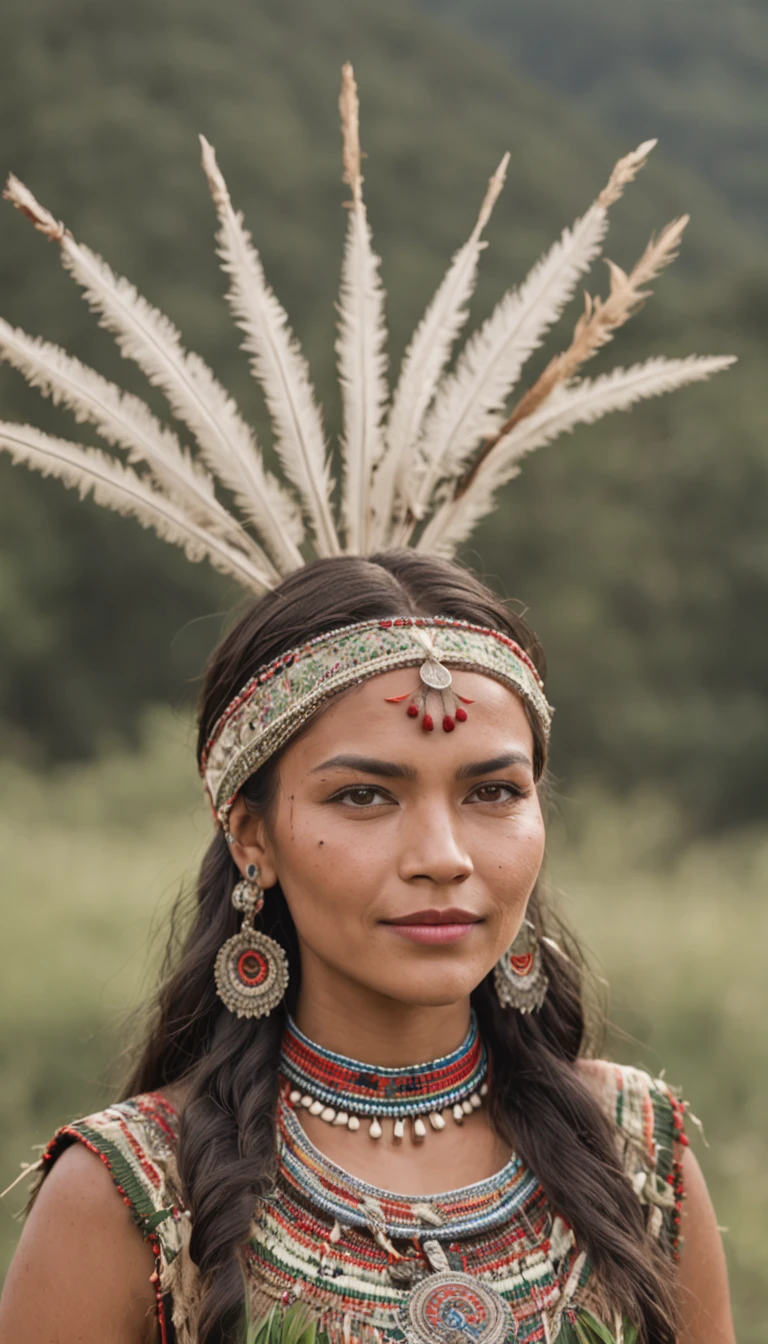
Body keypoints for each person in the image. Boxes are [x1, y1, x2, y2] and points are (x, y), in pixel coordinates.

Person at [0, 67, 735, 1344]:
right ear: (251, 831)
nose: (444, 857)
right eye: (363, 795)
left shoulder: (641, 1160)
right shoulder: (131, 1198)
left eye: (494, 791)